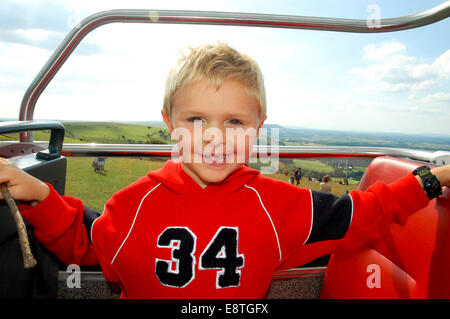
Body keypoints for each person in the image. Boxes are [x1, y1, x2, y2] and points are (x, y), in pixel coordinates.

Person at [0, 42, 449, 299]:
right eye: (196, 120)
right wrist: (37, 193)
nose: (215, 137)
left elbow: (363, 213)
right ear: (169, 124)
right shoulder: (133, 204)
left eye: (234, 121)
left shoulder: (282, 204)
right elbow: (84, 242)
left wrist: (433, 179)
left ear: (257, 129)